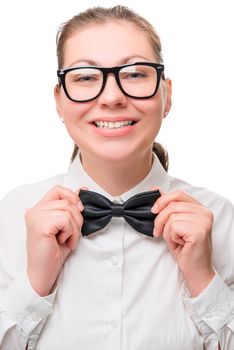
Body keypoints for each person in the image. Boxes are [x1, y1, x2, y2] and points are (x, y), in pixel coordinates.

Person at [0, 5, 233, 350]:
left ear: (166, 96)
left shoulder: (222, 219)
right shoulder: (11, 216)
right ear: (59, 101)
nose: (112, 97)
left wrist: (204, 282)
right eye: (85, 77)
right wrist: (34, 283)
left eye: (135, 74)